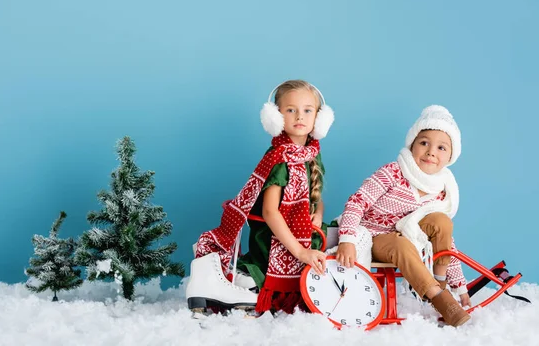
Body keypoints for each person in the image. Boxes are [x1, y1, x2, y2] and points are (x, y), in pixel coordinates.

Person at [186, 79, 334, 315]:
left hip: (302, 228)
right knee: (314, 253)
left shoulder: (311, 154)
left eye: (307, 110)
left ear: (320, 117)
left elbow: (315, 198)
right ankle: (250, 277)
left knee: (342, 235)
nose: (299, 117)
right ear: (275, 116)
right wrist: (300, 252)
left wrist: (318, 213)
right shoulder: (279, 160)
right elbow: (270, 212)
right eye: (290, 110)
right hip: (274, 233)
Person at [334, 105, 471, 327]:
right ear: (412, 144)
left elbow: (447, 242)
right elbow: (357, 202)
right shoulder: (394, 172)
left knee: (441, 221)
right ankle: (441, 301)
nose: (431, 152)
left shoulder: (443, 191)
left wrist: (461, 286)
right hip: (375, 237)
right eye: (424, 143)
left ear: (450, 157)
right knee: (401, 244)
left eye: (441, 147)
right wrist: (347, 239)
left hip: (409, 237)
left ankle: (441, 282)